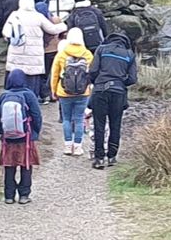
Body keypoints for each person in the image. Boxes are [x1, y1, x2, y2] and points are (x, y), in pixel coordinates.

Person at [0, 69, 42, 205]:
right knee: (26, 165)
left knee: (9, 166)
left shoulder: (3, 96)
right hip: (26, 137)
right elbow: (37, 115)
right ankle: (24, 195)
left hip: (8, 139)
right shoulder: (28, 95)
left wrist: (1, 132)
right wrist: (35, 133)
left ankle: (9, 196)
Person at [3, 0, 68, 98]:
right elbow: (52, 29)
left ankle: (15, 99)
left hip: (17, 54)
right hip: (33, 56)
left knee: (17, 77)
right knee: (32, 83)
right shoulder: (38, 16)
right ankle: (32, 100)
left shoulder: (14, 15)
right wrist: (63, 25)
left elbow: (6, 33)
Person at [88, 33, 137, 169]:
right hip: (118, 93)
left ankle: (99, 159)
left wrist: (96, 82)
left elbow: (92, 70)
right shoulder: (129, 54)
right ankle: (112, 157)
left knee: (99, 125)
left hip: (100, 91)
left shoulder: (101, 49)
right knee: (115, 125)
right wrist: (120, 83)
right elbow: (132, 79)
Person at [51, 28, 93, 157]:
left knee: (67, 119)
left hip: (64, 92)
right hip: (83, 92)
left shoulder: (62, 54)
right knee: (79, 119)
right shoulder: (88, 54)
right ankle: (78, 147)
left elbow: (55, 74)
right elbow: (92, 75)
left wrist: (53, 91)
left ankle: (68, 146)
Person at [36, 1, 62, 104]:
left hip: (43, 52)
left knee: (43, 75)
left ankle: (44, 95)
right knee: (55, 74)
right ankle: (54, 94)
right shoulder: (55, 20)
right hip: (55, 50)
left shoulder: (37, 22)